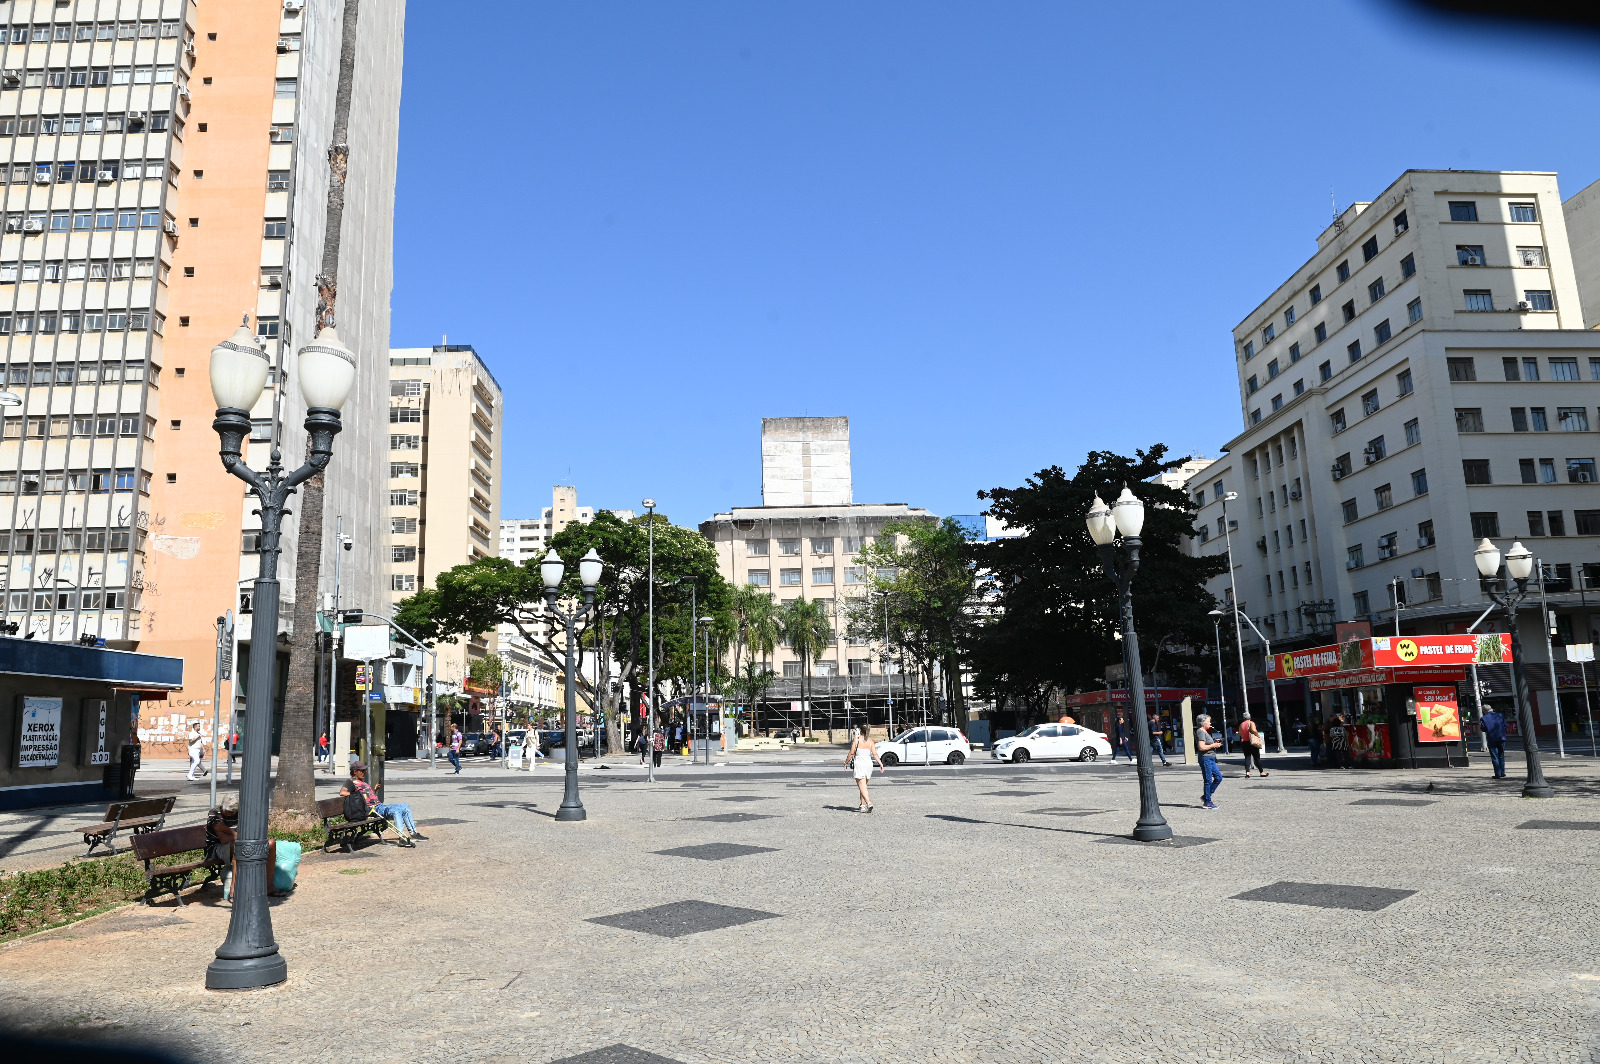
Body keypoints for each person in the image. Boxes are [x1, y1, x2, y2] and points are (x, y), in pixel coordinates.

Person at [342, 761, 425, 845]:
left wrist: (375, 790)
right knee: (396, 810)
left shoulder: (362, 782)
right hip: (372, 809)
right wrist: (356, 797)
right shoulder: (350, 782)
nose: (364, 772)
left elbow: (367, 797)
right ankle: (402, 838)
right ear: (355, 772)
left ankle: (414, 834)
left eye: (365, 770)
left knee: (405, 806)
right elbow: (342, 792)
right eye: (362, 771)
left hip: (378, 806)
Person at [844, 723, 884, 812]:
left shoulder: (856, 740)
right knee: (864, 786)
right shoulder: (871, 741)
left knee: (862, 786)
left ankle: (869, 803)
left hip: (860, 763)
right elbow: (875, 754)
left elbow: (851, 753)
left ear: (860, 731)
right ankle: (862, 805)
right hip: (868, 763)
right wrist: (881, 764)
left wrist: (846, 762)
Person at [1195, 713, 1223, 809]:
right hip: (1205, 758)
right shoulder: (1201, 732)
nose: (1210, 723)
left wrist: (1214, 742)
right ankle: (1207, 801)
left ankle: (1206, 796)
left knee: (1218, 777)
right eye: (1208, 721)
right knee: (1208, 780)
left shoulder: (1205, 732)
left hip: (1211, 758)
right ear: (1203, 723)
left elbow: (1207, 744)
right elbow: (1201, 747)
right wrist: (1214, 745)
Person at [1482, 704, 1507, 778]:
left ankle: (1497, 774)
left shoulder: (1484, 718)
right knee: (1501, 755)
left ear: (1484, 711)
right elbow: (1505, 725)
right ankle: (1502, 772)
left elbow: (1483, 729)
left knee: (1494, 756)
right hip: (1501, 737)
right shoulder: (1499, 715)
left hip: (1492, 738)